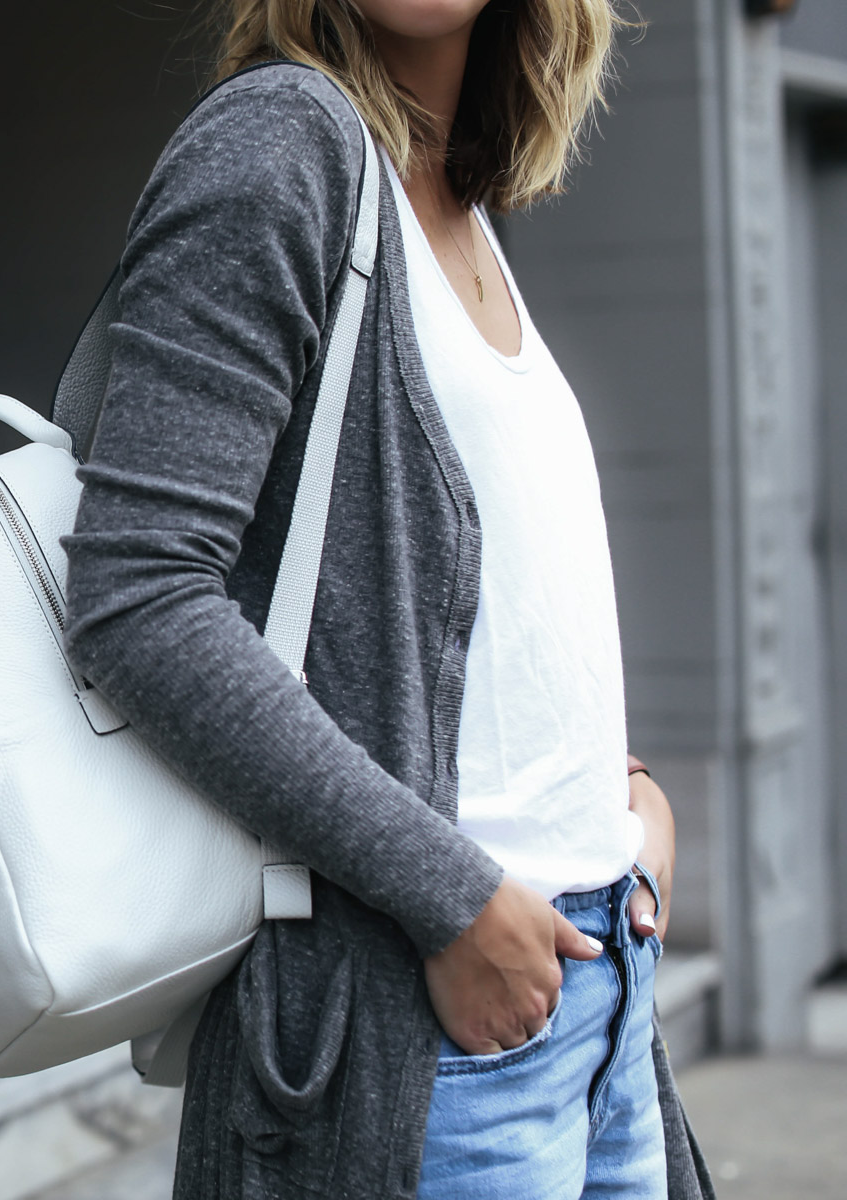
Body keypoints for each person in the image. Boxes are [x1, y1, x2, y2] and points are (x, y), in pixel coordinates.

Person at [58, 1, 712, 1197]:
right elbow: (140, 591)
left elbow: (469, 608)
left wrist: (621, 810)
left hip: (598, 981)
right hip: (435, 1024)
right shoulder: (279, 146)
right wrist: (454, 901)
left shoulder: (450, 197)